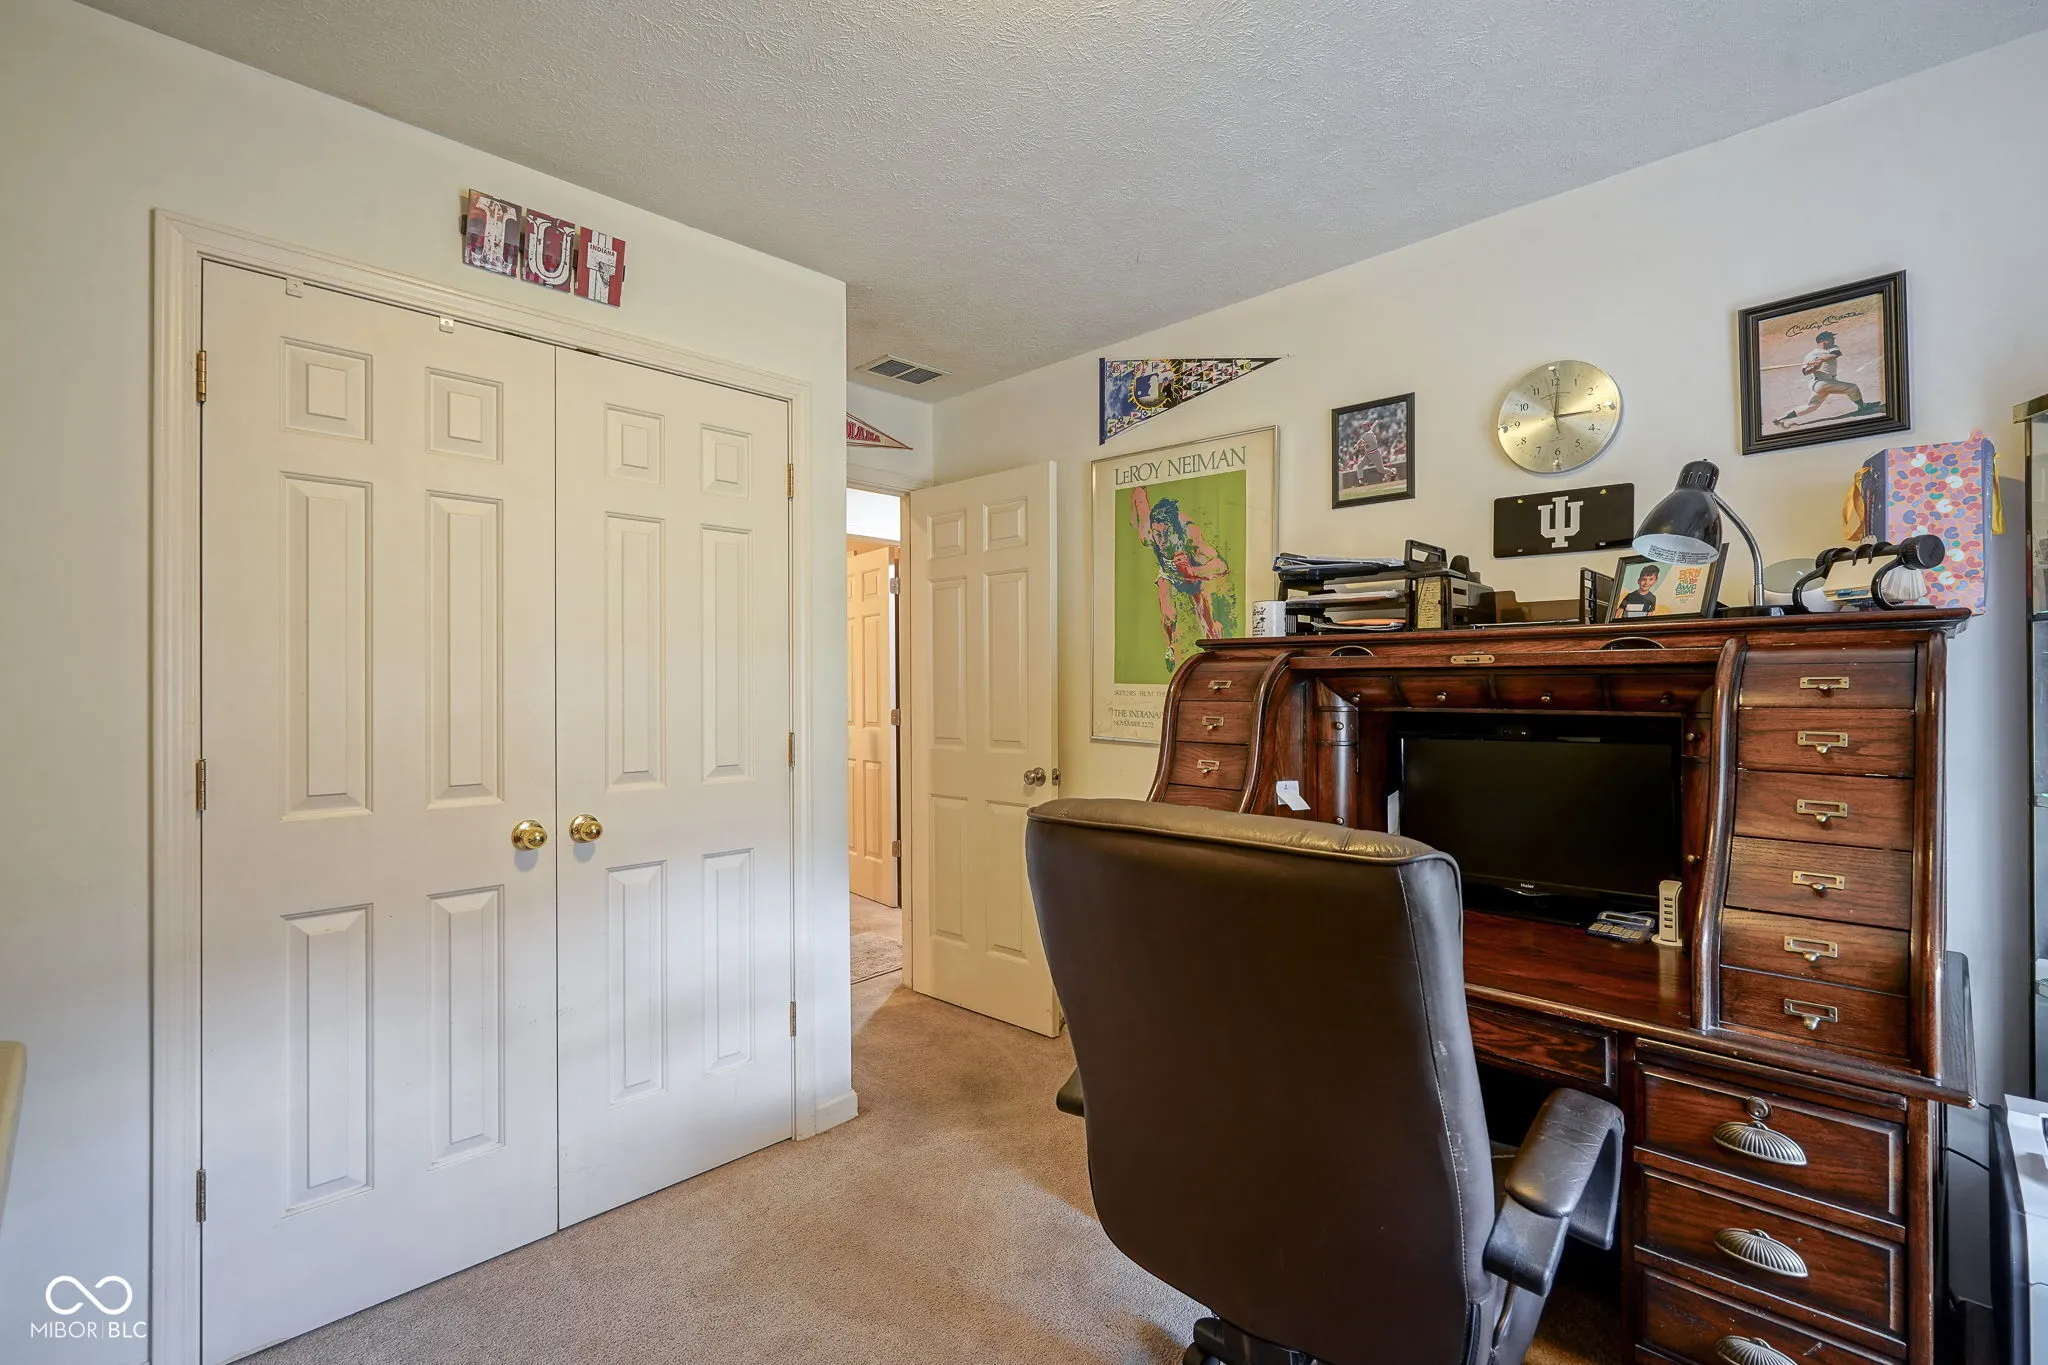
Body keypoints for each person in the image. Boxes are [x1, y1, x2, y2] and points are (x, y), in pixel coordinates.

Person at [1129, 483, 1230, 672]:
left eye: (1167, 534)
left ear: (1175, 529)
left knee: (1209, 628)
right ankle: (1170, 647)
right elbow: (1140, 501)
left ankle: (1218, 659)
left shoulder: (1190, 536)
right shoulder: (1148, 534)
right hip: (1168, 573)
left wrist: (1192, 571)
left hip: (1192, 574)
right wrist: (1138, 490)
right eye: (1158, 535)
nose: (1162, 541)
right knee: (1169, 616)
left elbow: (1222, 566)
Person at [1774, 329, 1883, 429]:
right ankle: (1862, 407)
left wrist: (1821, 360)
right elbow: (1805, 372)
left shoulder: (1832, 348)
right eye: (1831, 337)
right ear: (1823, 340)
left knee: (1811, 406)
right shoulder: (1811, 355)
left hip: (1821, 384)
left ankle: (1781, 419)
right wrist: (1814, 367)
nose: (1833, 339)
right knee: (1853, 388)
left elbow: (1836, 354)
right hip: (1822, 382)